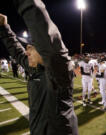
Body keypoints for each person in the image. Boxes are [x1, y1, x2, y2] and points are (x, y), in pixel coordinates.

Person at [0, 0, 78, 134]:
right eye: (27, 47)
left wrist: (26, 3)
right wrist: (4, 28)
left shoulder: (59, 72)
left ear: (44, 49)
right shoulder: (35, 69)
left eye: (30, 47)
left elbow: (47, 38)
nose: (26, 51)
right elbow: (17, 52)